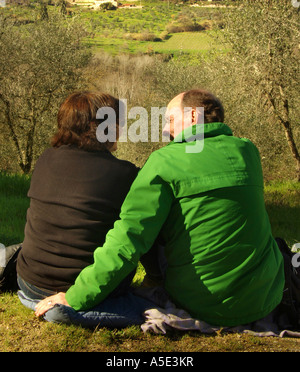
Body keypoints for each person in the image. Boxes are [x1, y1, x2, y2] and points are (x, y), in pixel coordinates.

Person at [35, 89, 285, 329]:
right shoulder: (248, 151)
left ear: (193, 116)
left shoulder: (163, 162)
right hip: (265, 296)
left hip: (204, 304)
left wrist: (75, 298)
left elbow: (128, 239)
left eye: (170, 119)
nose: (165, 129)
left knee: (154, 228)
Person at [17, 91, 145, 314]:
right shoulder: (124, 174)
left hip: (30, 284)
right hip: (80, 289)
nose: (122, 130)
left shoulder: (46, 158)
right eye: (120, 123)